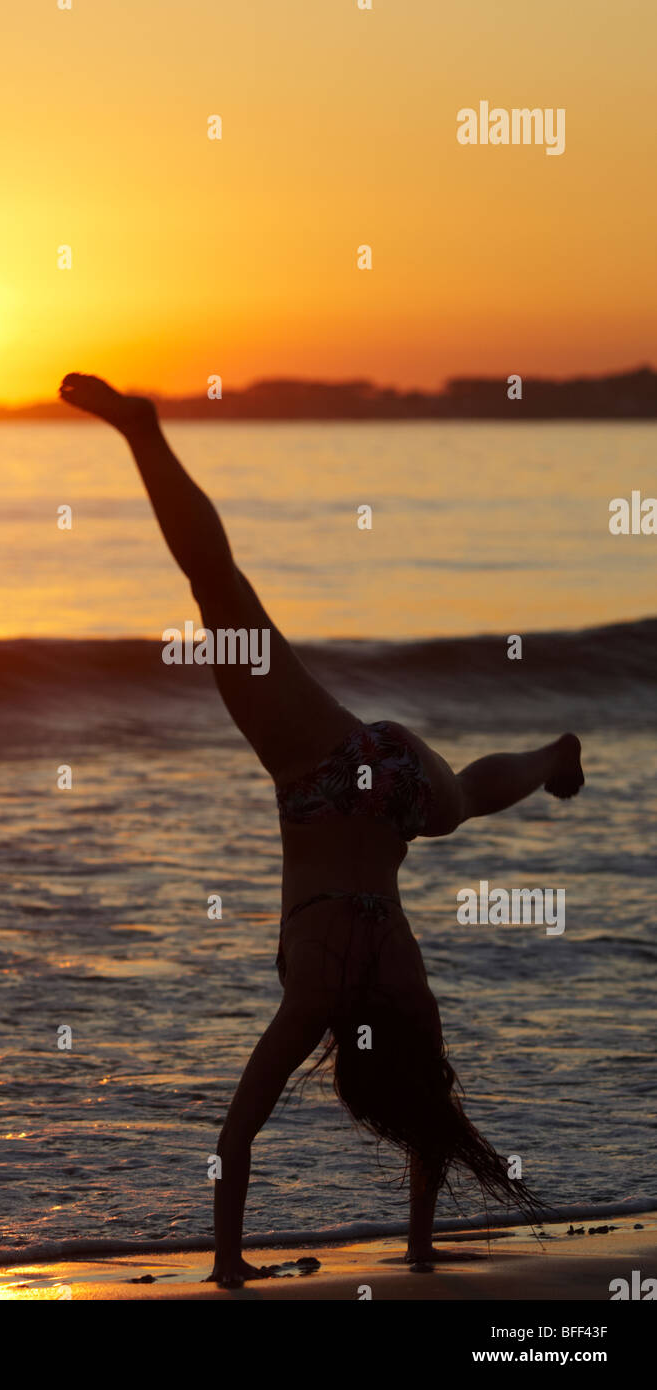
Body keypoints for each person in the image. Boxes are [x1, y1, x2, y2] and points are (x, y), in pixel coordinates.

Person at [59, 373, 584, 1288]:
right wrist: (225, 1261)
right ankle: (141, 434)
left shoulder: (406, 994)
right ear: (346, 1061)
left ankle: (549, 758)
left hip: (391, 779)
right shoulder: (318, 1003)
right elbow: (239, 1133)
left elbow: (431, 1117)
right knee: (216, 595)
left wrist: (414, 1248)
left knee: (450, 798)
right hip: (323, 777)